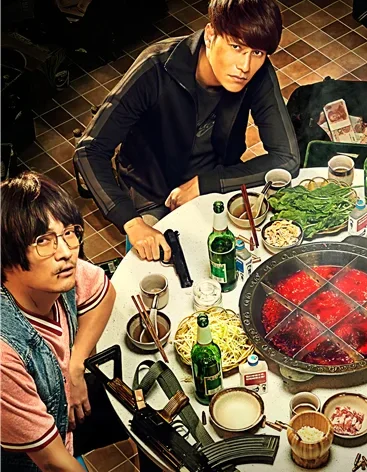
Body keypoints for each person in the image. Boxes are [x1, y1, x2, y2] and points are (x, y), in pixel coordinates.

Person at [74, 0, 299, 262]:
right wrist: (131, 222)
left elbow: (287, 158)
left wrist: (206, 183)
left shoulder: (257, 73)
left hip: (215, 182)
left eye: (257, 53)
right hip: (151, 195)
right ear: (210, 35)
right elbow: (89, 149)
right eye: (236, 47)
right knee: (154, 268)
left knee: (264, 251)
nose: (245, 66)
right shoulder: (156, 67)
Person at [0, 172, 121, 471]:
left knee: (148, 413)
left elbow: (105, 291)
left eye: (68, 232)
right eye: (43, 240)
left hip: (59, 406)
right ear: (7, 254)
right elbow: (52, 463)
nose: (66, 252)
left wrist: (75, 366)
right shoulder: (4, 354)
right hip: (28, 460)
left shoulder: (59, 273)